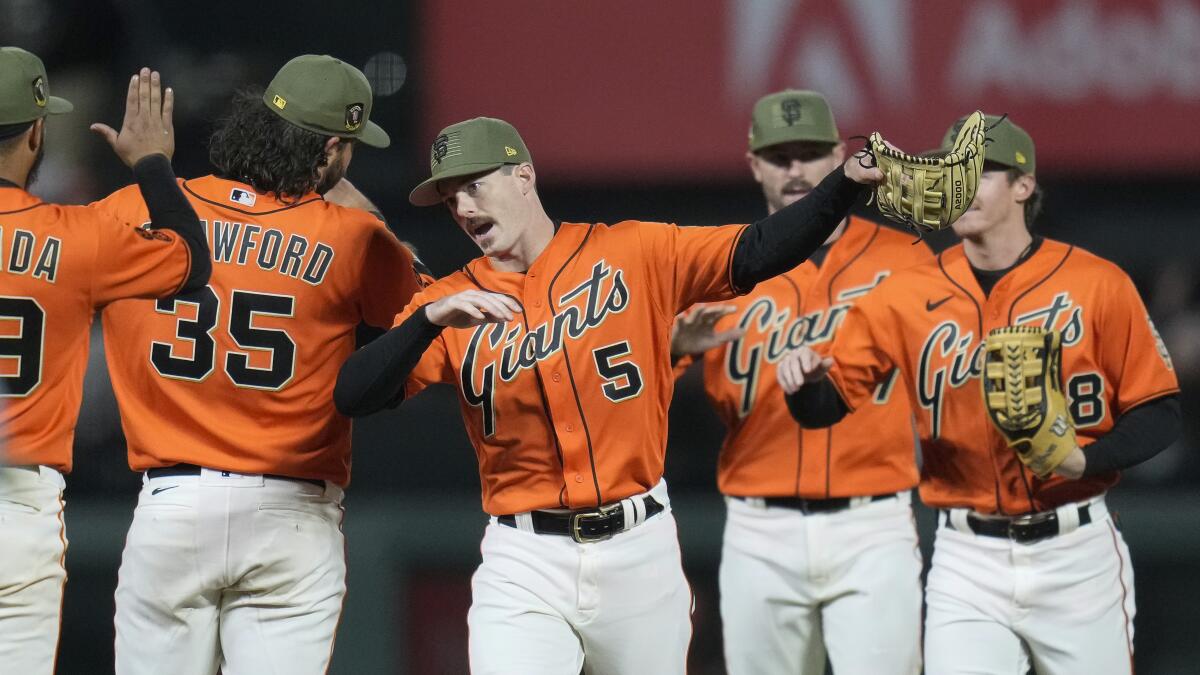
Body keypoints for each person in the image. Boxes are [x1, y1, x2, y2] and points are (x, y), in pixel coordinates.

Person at [334, 115, 883, 674]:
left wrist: (845, 184)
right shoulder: (453, 302)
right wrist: (425, 320)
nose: (464, 208)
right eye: (450, 198)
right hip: (524, 557)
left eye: (475, 186)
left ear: (523, 176)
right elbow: (356, 394)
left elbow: (759, 249)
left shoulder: (632, 252)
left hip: (637, 549)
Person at [776, 115, 1181, 675]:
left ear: (1024, 185)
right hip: (967, 558)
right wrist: (805, 386)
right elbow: (824, 407)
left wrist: (1085, 459)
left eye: (983, 172)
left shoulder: (1097, 283)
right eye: (953, 172)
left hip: (1076, 551)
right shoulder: (905, 294)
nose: (963, 184)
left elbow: (1160, 411)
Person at [91, 55, 419, 675]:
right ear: (328, 150)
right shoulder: (353, 237)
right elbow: (426, 313)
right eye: (347, 148)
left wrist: (149, 170)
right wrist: (364, 211)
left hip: (171, 506)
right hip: (289, 515)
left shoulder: (131, 211)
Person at [668, 89, 930, 675]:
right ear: (754, 163)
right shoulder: (720, 266)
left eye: (811, 154)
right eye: (779, 156)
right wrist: (671, 349)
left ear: (840, 154)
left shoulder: (908, 258)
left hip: (875, 520)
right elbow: (627, 392)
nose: (796, 170)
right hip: (760, 527)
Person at [0, 49, 208, 675]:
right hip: (20, 505)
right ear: (38, 132)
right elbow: (191, 262)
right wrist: (151, 163)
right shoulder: (77, 234)